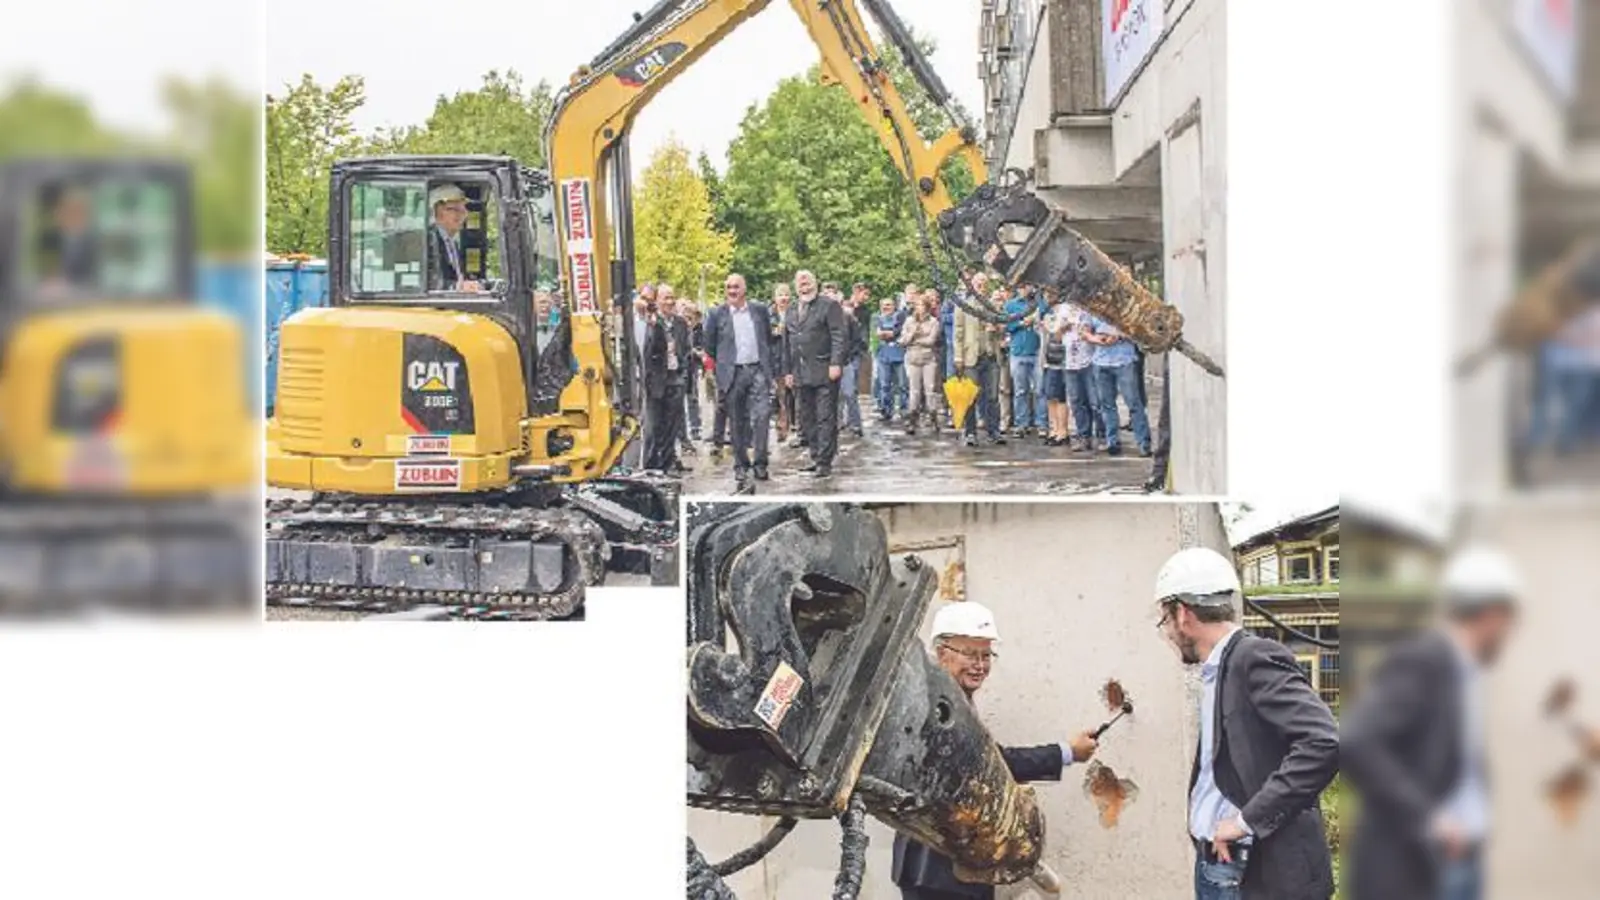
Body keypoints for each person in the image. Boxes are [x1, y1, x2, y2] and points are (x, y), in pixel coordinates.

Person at [1152, 547, 1339, 900]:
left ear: (1183, 613)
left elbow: (1323, 743)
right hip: (1223, 864)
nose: (1168, 633)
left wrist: (1244, 821)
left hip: (1250, 871)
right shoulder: (1219, 668)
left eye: (1165, 620)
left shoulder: (1252, 658)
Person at [1341, 546, 1522, 900]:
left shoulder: (1467, 671)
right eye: (1509, 622)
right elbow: (1357, 740)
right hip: (1422, 866)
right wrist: (1426, 818)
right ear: (1492, 614)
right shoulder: (1424, 660)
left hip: (1461, 860)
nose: (1509, 633)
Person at [890, 601, 1099, 900]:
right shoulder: (936, 708)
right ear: (942, 653)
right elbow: (991, 764)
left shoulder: (949, 700)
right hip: (938, 869)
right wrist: (1067, 752)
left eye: (986, 655)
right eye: (970, 654)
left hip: (947, 867)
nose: (980, 665)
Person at [702, 273, 774, 490]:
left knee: (762, 416)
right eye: (729, 287)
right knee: (736, 422)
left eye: (736, 287)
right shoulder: (716, 314)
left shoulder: (759, 310)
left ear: (744, 289)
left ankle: (760, 464)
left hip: (757, 370)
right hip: (732, 374)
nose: (732, 291)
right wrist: (723, 366)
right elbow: (709, 345)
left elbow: (767, 338)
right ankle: (741, 465)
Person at [783, 270, 847, 477]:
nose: (805, 286)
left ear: (816, 284)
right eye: (801, 283)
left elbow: (838, 335)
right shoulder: (791, 309)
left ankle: (824, 461)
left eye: (808, 282)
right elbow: (787, 343)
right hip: (800, 372)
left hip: (824, 369)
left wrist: (836, 362)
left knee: (825, 416)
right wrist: (787, 371)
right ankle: (815, 455)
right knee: (806, 417)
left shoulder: (829, 306)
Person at [642, 284, 692, 474]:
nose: (670, 302)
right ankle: (652, 464)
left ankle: (668, 462)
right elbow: (647, 350)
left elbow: (685, 349)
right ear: (657, 301)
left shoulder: (680, 323)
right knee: (655, 425)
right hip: (656, 380)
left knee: (672, 424)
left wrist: (683, 373)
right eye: (666, 298)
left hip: (675, 377)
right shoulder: (652, 322)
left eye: (672, 297)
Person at [1085, 315, 1152, 457]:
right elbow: (1084, 332)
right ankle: (1112, 442)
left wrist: (1118, 336)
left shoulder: (1124, 309)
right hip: (1101, 362)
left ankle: (1143, 443)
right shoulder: (1092, 310)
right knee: (1107, 405)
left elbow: (1138, 332)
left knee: (1134, 403)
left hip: (1124, 361)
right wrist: (1097, 339)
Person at [953, 285, 1005, 448]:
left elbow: (1003, 330)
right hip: (971, 356)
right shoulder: (963, 306)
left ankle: (994, 431)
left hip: (991, 356)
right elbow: (958, 332)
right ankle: (970, 432)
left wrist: (997, 328)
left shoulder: (994, 306)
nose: (982, 287)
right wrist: (958, 356)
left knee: (993, 396)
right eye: (979, 284)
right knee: (970, 396)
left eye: (984, 283)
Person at [898, 293, 943, 437]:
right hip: (912, 358)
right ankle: (912, 419)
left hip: (928, 358)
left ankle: (933, 417)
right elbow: (903, 340)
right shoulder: (909, 321)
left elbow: (931, 341)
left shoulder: (934, 322)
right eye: (917, 305)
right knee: (914, 391)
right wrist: (912, 334)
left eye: (922, 305)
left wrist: (916, 340)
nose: (920, 308)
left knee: (930, 389)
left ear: (927, 307)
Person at [426, 183, 481, 293]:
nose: (463, 215)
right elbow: (430, 284)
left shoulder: (452, 243)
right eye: (455, 209)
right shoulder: (428, 242)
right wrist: (457, 287)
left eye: (463, 209)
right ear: (436, 212)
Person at [1004, 285, 1042, 438]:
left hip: (1037, 351)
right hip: (1018, 351)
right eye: (1023, 286)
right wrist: (1021, 323)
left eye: (1028, 285)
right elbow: (1006, 325)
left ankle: (1041, 423)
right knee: (1020, 390)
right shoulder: (1011, 305)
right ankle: (1021, 424)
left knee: (1040, 390)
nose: (1026, 289)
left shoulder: (1039, 303)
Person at [838, 285, 868, 438]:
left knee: (850, 392)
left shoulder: (849, 317)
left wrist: (852, 354)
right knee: (835, 395)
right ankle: (837, 422)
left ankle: (855, 424)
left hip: (847, 360)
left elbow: (857, 338)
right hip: (829, 362)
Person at [770, 284, 796, 445]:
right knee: (781, 397)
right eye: (780, 295)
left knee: (794, 396)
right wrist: (775, 332)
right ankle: (782, 428)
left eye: (786, 295)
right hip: (776, 361)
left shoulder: (796, 313)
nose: (784, 298)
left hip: (794, 360)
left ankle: (795, 426)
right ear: (775, 298)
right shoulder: (769, 315)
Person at [874, 295, 907, 423]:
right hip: (883, 354)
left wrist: (889, 333)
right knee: (884, 384)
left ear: (894, 306)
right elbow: (878, 334)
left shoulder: (900, 316)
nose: (885, 307)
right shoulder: (877, 318)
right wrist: (890, 333)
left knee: (902, 385)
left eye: (888, 305)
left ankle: (904, 411)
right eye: (883, 305)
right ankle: (886, 410)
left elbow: (897, 331)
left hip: (899, 354)